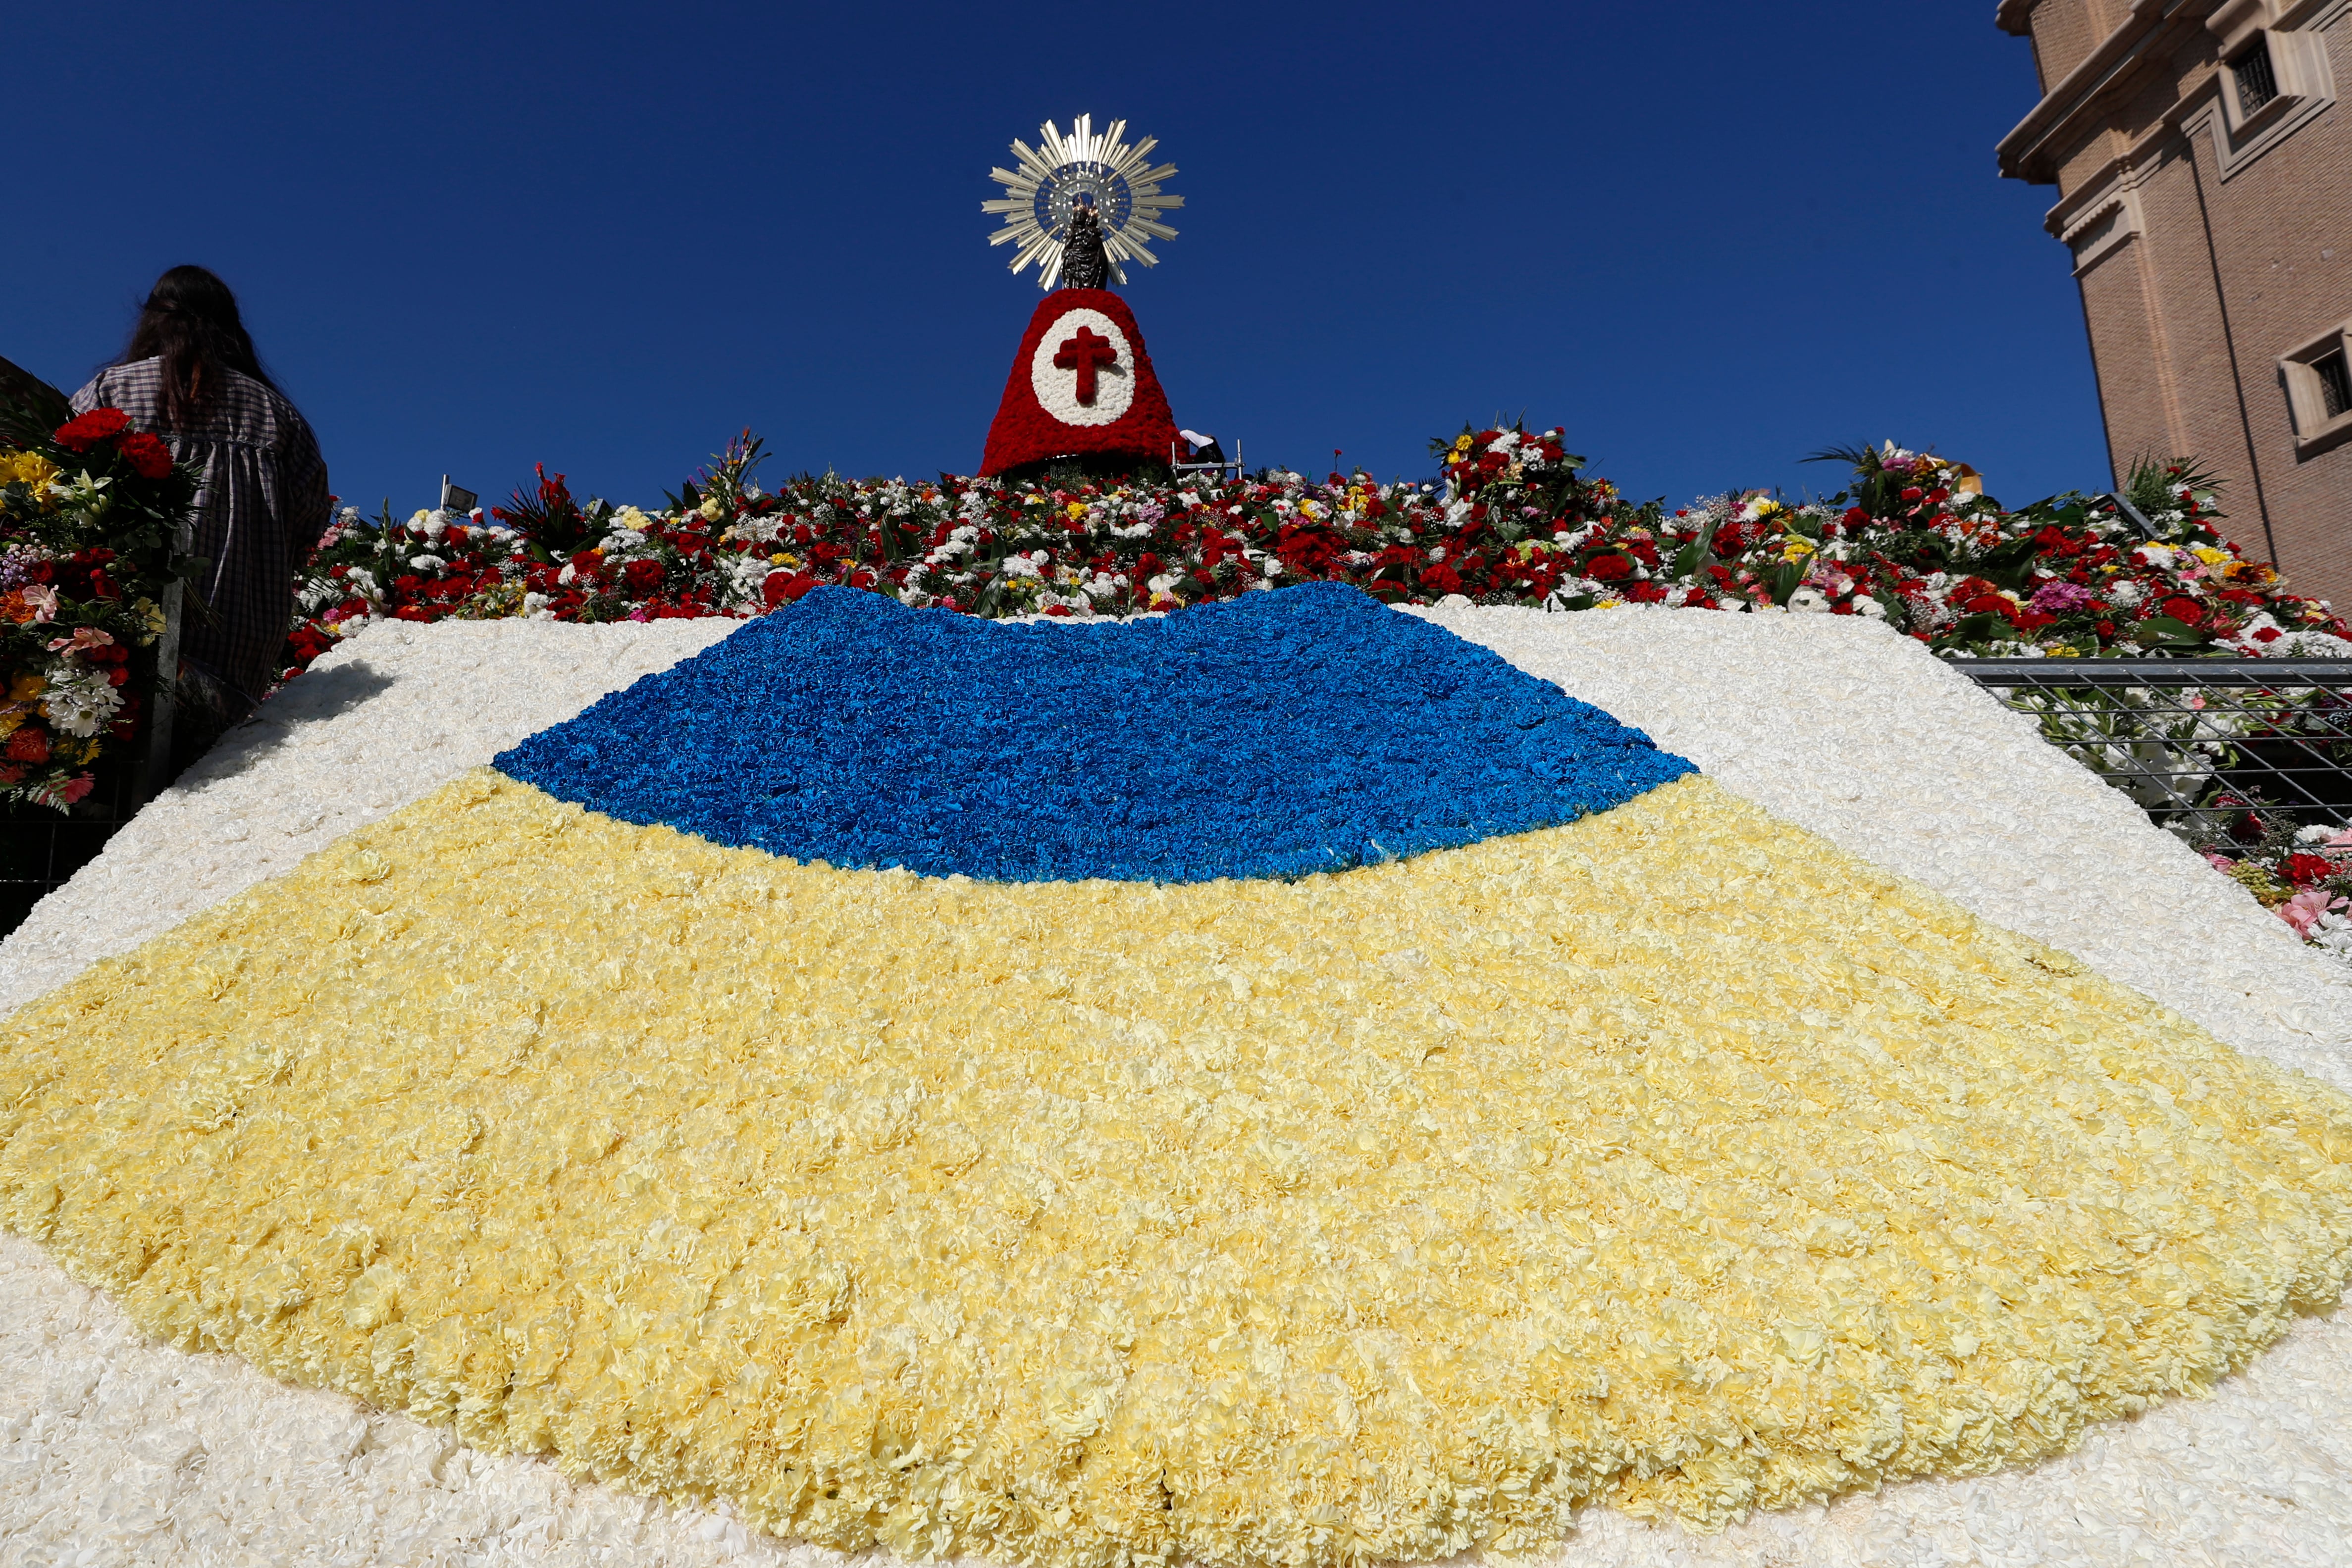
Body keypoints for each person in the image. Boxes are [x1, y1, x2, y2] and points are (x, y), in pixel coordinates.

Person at [72, 266, 329, 746]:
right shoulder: (278, 416)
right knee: (210, 777)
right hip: (242, 633)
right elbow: (310, 520)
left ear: (151, 320)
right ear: (231, 329)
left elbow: (63, 499)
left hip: (119, 625)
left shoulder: (109, 393)